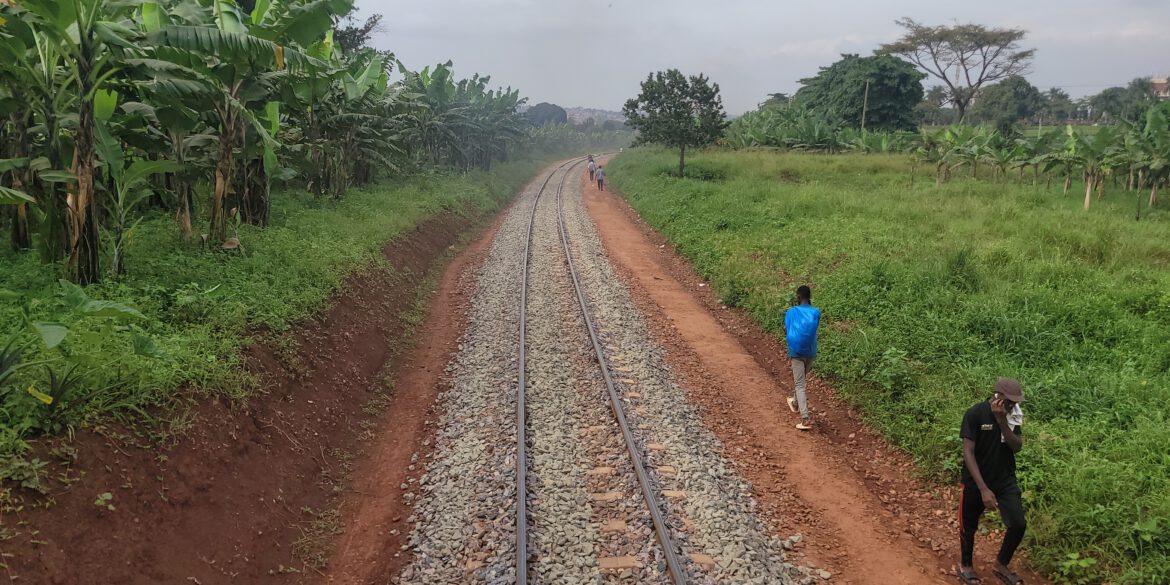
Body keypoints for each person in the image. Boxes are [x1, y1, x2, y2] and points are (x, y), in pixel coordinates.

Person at [956, 378, 1027, 585]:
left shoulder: (1012, 415)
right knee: (968, 525)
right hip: (976, 480)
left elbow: (1016, 447)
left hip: (1004, 479)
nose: (1013, 405)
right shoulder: (975, 413)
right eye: (1009, 401)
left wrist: (1002, 420)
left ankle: (1001, 564)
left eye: (1015, 402)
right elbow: (968, 453)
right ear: (998, 395)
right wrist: (983, 489)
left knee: (1018, 523)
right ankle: (966, 565)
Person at [784, 285, 820, 430]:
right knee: (801, 379)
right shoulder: (816, 312)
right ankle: (794, 402)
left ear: (798, 296)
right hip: (810, 352)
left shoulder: (791, 312)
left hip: (796, 352)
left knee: (800, 384)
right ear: (809, 297)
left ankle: (805, 418)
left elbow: (786, 329)